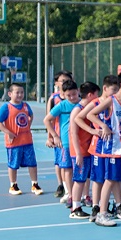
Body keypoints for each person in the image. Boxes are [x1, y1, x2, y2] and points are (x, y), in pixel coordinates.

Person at [87, 70, 121, 227]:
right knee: (110, 180)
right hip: (114, 149)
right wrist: (103, 126)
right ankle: (102, 213)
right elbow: (90, 114)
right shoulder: (111, 101)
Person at [75, 75, 120, 222]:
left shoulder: (116, 103)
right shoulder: (95, 103)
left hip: (113, 147)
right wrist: (94, 130)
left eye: (117, 89)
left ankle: (115, 205)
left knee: (113, 178)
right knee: (98, 178)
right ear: (105, 88)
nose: (115, 92)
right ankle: (96, 206)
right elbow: (78, 118)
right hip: (99, 147)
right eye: (113, 89)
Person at [0, 83, 42, 196]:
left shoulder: (25, 105)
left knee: (32, 163)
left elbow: (31, 115)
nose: (20, 95)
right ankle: (13, 185)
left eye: (22, 92)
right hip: (14, 142)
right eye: (17, 92)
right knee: (13, 164)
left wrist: (28, 126)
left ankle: (35, 184)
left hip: (27, 141)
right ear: (10, 94)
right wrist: (9, 133)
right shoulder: (6, 107)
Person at [43, 79, 81, 208]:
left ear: (78, 92)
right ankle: (70, 194)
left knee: (82, 170)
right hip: (65, 143)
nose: (72, 97)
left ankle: (83, 194)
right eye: (68, 95)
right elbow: (47, 120)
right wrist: (54, 136)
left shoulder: (83, 104)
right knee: (67, 169)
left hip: (81, 143)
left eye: (74, 94)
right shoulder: (62, 105)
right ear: (63, 94)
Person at [67, 81, 100, 219]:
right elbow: (73, 132)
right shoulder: (77, 110)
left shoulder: (89, 109)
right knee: (79, 179)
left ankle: (84, 203)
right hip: (79, 150)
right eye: (97, 95)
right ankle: (75, 207)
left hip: (88, 149)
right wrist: (78, 153)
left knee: (84, 178)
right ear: (91, 95)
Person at [48, 71, 73, 199]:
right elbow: (49, 119)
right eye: (61, 80)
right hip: (59, 135)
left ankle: (69, 187)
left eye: (66, 80)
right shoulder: (54, 99)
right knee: (60, 162)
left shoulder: (74, 97)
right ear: (57, 83)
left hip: (72, 137)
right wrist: (51, 137)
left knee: (67, 164)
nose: (63, 83)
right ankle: (61, 185)